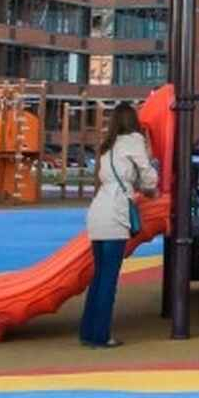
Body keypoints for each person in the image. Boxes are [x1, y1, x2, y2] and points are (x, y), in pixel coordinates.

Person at [81, 103, 158, 348]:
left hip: (97, 212)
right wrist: (152, 184)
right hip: (116, 212)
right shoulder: (134, 141)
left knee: (99, 276)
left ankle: (88, 331)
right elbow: (147, 174)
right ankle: (102, 335)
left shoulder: (107, 146)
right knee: (109, 279)